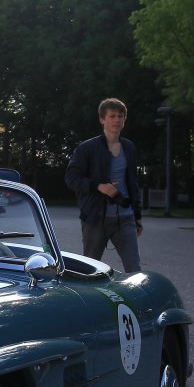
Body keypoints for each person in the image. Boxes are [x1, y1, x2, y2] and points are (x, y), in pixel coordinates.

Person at [65, 97, 143, 273]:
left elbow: (133, 183)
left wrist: (137, 216)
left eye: (120, 116)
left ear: (125, 119)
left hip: (125, 217)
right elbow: (71, 178)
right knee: (89, 270)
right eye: (112, 116)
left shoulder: (129, 147)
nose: (117, 120)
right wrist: (98, 186)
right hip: (95, 218)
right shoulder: (86, 148)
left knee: (134, 269)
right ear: (102, 119)